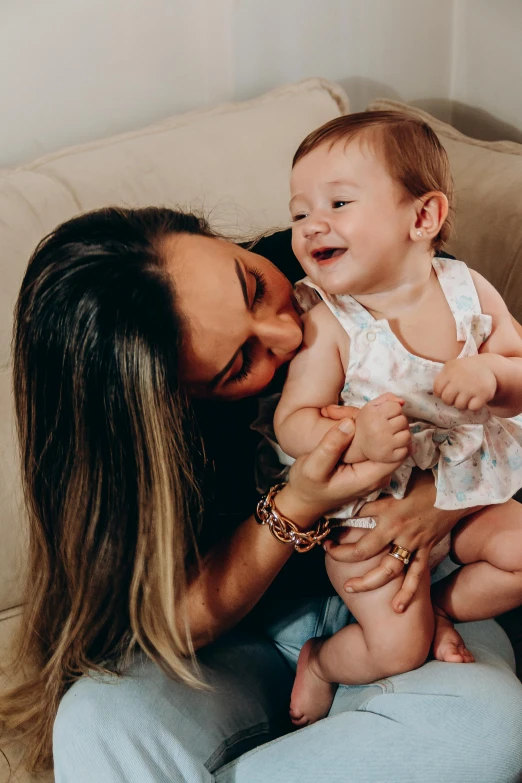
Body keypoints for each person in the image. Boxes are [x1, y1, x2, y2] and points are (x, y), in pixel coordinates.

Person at [1, 206, 522, 783]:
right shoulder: (135, 442)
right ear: (174, 402)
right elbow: (170, 624)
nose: (286, 333)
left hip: (416, 595)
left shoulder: (355, 255)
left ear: (210, 234)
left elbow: (505, 404)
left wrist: (442, 501)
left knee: (489, 728)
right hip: (247, 642)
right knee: (96, 721)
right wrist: (297, 502)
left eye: (252, 286)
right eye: (238, 365)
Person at [274, 110, 522, 726]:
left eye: (338, 202)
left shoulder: (467, 289)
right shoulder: (329, 322)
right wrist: (353, 433)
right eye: (300, 212)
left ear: (423, 217)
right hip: (370, 519)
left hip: (469, 488)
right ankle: (325, 661)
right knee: (397, 650)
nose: (312, 226)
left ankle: (439, 607)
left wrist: (493, 375)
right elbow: (293, 423)